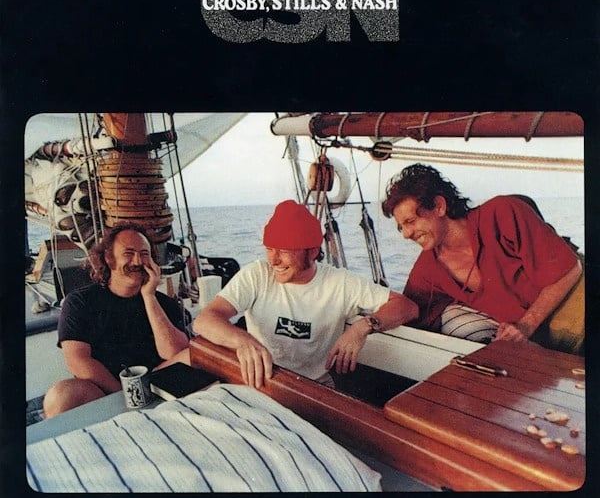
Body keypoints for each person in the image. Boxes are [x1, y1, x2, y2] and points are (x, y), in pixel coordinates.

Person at [193, 200, 418, 388]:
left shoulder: (340, 282)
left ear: (312, 252)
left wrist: (363, 327)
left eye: (284, 251)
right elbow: (205, 320)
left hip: (314, 387)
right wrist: (243, 341)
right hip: (262, 380)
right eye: (269, 249)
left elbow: (406, 306)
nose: (274, 260)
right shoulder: (257, 274)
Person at [381, 164, 584, 353]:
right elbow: (408, 309)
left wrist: (526, 325)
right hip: (542, 344)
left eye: (411, 221)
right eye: (401, 227)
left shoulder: (501, 213)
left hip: (578, 308)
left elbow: (570, 269)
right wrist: (369, 323)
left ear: (439, 206)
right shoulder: (427, 269)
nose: (406, 234)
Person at [43, 222, 189, 417]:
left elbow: (177, 353)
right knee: (61, 396)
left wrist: (149, 297)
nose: (138, 261)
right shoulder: (80, 302)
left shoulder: (164, 303)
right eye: (129, 253)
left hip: (156, 387)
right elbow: (77, 360)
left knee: (193, 355)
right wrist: (125, 395)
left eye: (144, 254)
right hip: (106, 391)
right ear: (109, 259)